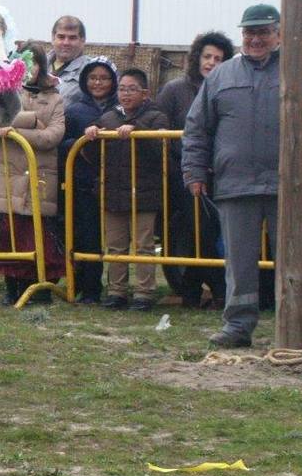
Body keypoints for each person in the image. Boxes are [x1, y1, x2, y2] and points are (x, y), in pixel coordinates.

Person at [182, 4, 281, 348]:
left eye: (264, 32)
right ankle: (238, 325)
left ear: (278, 33)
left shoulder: (296, 70)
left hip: (289, 188)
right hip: (235, 184)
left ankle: (295, 327)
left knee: (294, 263)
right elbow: (197, 128)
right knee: (239, 264)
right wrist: (194, 171)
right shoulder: (222, 76)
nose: (256, 39)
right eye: (250, 32)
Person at [156, 32, 234, 308]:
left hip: (222, 173)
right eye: (207, 56)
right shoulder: (175, 90)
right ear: (196, 58)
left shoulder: (229, 89)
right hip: (183, 175)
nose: (211, 63)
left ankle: (194, 287)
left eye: (218, 58)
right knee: (196, 231)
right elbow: (158, 126)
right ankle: (213, 287)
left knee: (211, 232)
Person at [83, 68, 171, 311]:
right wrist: (91, 136)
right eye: (122, 89)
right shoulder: (109, 118)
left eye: (132, 89)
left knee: (144, 245)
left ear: (145, 93)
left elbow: (161, 152)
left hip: (144, 193)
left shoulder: (156, 117)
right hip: (112, 192)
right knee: (115, 245)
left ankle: (144, 293)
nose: (125, 94)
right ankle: (116, 291)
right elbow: (91, 156)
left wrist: (138, 130)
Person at [0, 46, 65, 304]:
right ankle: (13, 287)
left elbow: (52, 136)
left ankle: (40, 286)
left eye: (33, 63)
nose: (28, 69)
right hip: (8, 174)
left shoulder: (55, 98)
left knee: (38, 235)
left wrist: (14, 132)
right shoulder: (5, 93)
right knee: (11, 232)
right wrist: (32, 120)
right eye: (23, 62)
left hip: (40, 175)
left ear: (41, 67)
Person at [61, 57, 119, 303]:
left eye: (104, 78)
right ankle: (88, 287)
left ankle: (118, 288)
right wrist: (82, 143)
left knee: (117, 237)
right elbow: (62, 144)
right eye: (93, 78)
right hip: (84, 182)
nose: (98, 83)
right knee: (87, 236)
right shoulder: (74, 110)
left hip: (117, 182)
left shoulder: (122, 109)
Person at [48, 16, 96, 106]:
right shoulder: (37, 65)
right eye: (61, 37)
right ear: (53, 38)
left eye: (72, 38)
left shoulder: (92, 71)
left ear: (83, 40)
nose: (66, 43)